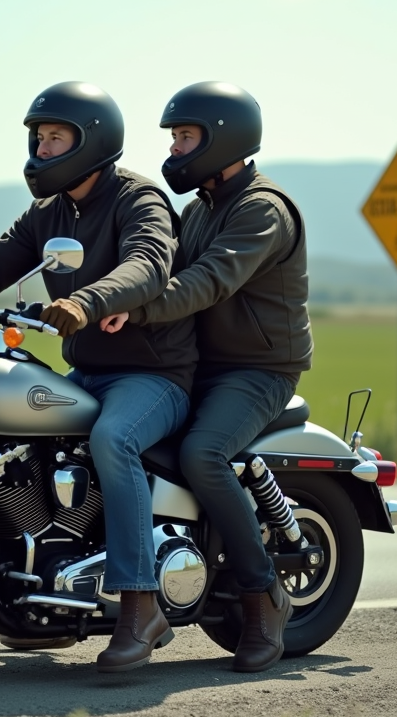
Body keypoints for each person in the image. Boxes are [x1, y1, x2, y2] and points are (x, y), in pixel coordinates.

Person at [0, 81, 196, 673]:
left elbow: (148, 263)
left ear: (92, 143)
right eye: (39, 137)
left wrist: (87, 302)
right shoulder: (53, 211)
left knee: (113, 439)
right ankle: (33, 587)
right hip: (88, 371)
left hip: (153, 375)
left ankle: (140, 604)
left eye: (57, 138)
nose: (43, 149)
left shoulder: (140, 200)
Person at [101, 81, 312, 672]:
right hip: (199, 365)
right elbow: (152, 268)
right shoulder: (197, 211)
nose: (175, 149)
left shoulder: (262, 210)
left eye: (186, 137)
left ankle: (263, 595)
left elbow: (207, 282)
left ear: (224, 140)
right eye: (172, 138)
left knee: (202, 453)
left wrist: (137, 308)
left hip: (258, 369)